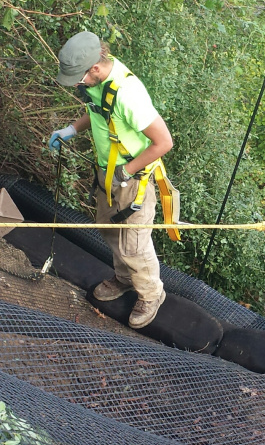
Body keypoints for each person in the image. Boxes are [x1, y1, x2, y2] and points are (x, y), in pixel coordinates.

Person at [48, 31, 178, 328]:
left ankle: (151, 293)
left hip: (133, 179)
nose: (77, 84)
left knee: (134, 244)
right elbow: (97, 112)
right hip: (108, 173)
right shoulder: (98, 81)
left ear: (94, 67)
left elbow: (164, 142)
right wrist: (71, 129)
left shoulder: (128, 94)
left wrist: (127, 171)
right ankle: (124, 278)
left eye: (78, 77)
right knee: (107, 229)